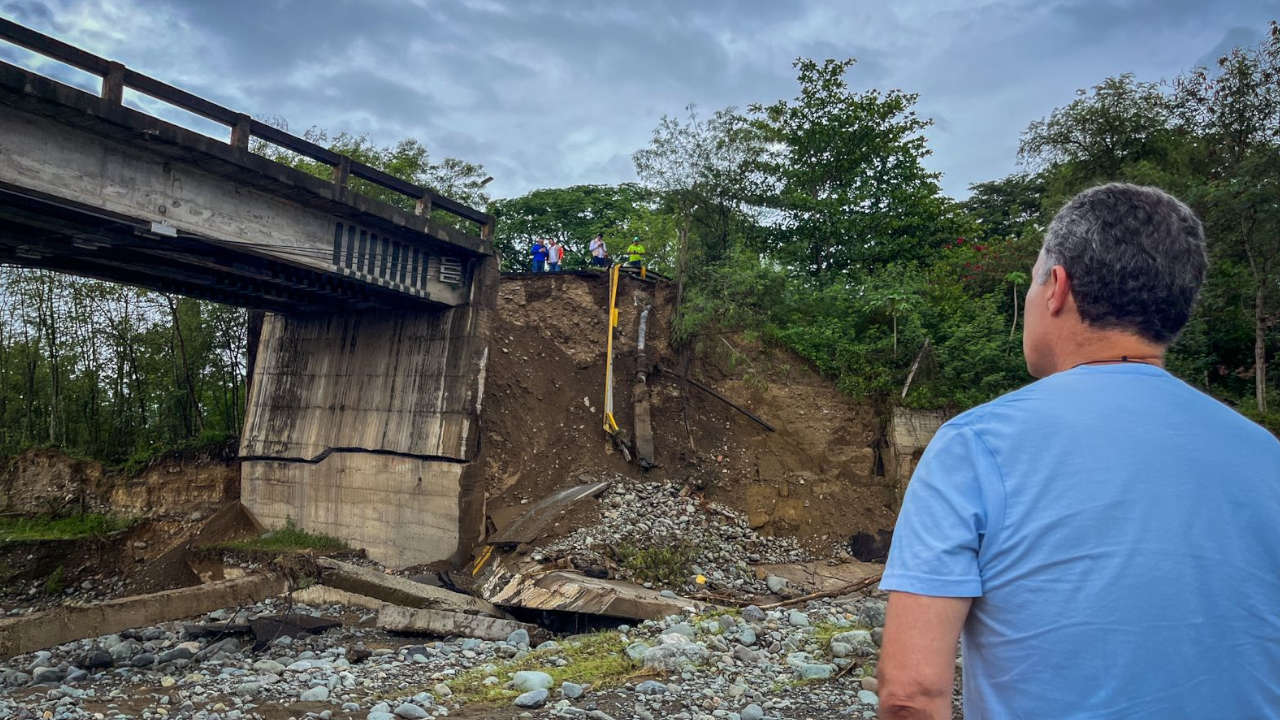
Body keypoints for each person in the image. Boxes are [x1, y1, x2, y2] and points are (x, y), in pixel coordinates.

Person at [877, 183, 1280, 720]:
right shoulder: (1265, 455)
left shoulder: (975, 446)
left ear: (1058, 288)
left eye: (1033, 281)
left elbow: (910, 694)